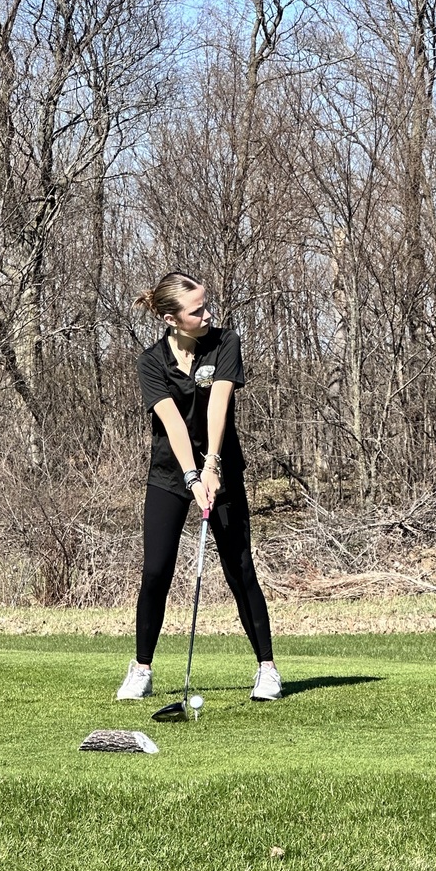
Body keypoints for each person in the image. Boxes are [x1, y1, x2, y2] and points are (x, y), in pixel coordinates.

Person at [116, 271, 282, 702]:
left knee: (239, 568)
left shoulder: (225, 343)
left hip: (221, 468)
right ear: (172, 319)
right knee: (156, 571)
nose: (208, 314)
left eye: (207, 305)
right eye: (197, 310)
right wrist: (192, 476)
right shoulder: (151, 361)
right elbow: (171, 422)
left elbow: (219, 404)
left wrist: (212, 466)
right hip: (170, 475)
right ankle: (142, 668)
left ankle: (267, 668)